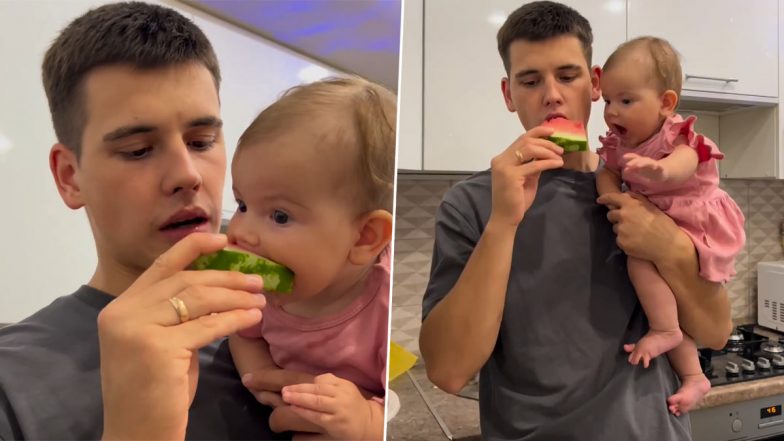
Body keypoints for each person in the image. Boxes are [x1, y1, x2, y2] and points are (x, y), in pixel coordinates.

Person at [418, 2, 733, 440]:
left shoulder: (652, 187)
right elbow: (449, 372)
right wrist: (503, 223)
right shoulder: (470, 204)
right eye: (530, 81)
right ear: (509, 95)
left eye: (568, 76)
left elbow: (716, 333)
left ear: (595, 83)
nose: (552, 94)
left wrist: (668, 246)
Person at [0, 3, 294, 439]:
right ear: (69, 177)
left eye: (202, 141)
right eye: (138, 150)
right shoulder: (11, 383)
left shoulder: (295, 320)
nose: (188, 175)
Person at [225, 77, 395, 440]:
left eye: (280, 216)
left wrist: (366, 421)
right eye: (242, 204)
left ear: (364, 238)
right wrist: (258, 375)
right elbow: (244, 335)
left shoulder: (383, 308)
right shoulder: (260, 294)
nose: (240, 232)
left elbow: (396, 403)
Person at [596, 36, 745, 416]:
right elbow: (607, 173)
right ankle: (694, 375)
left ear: (665, 103)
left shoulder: (674, 134)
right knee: (661, 297)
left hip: (696, 222)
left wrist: (660, 170)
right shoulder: (617, 143)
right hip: (658, 222)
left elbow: (686, 160)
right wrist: (614, 197)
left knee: (659, 284)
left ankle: (668, 334)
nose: (613, 112)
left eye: (626, 101)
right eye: (608, 101)